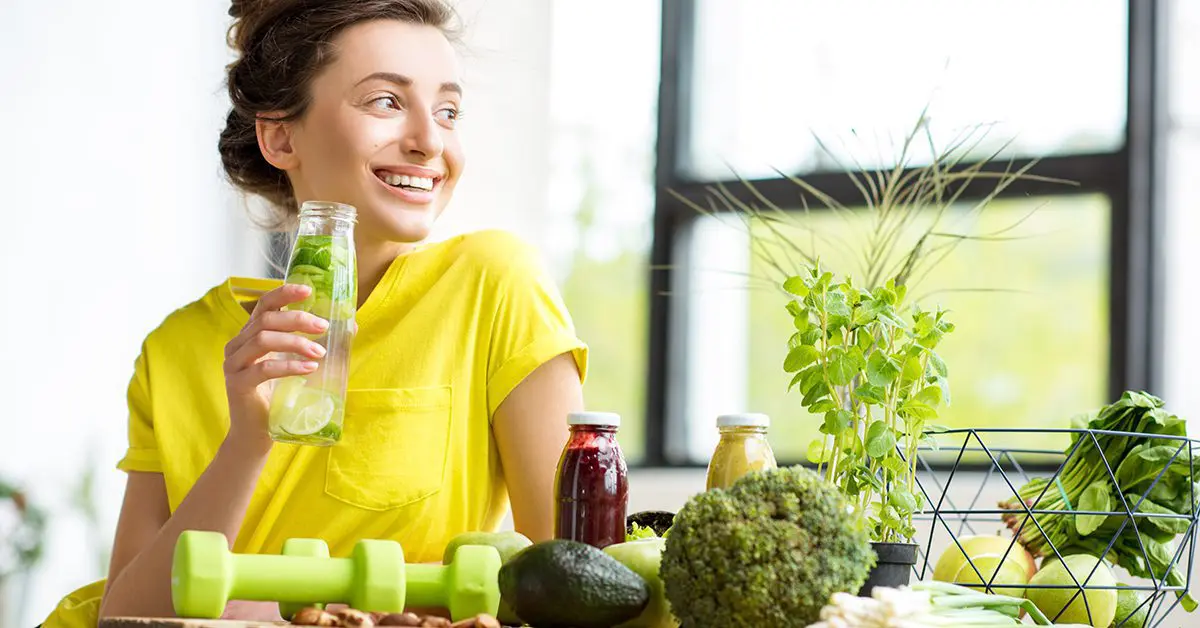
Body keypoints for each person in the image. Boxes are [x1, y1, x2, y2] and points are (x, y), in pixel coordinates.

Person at [40, 0, 587, 625]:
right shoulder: (177, 349)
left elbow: (576, 584)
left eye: (448, 111)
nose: (429, 141)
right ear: (280, 136)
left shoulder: (495, 286)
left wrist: (265, 607)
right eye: (385, 101)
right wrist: (247, 442)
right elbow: (126, 616)